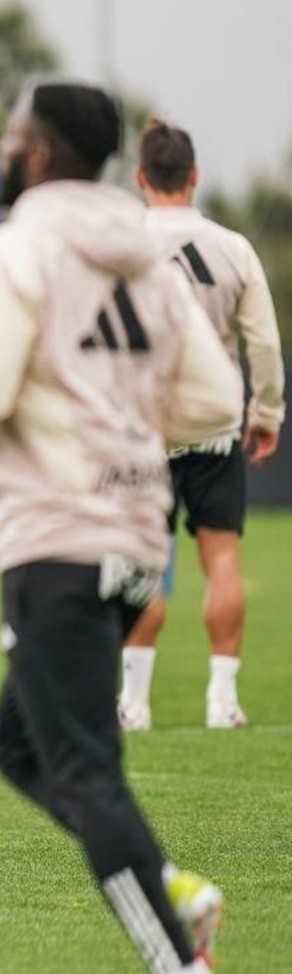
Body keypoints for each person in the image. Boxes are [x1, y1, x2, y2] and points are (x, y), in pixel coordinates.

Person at [0, 83, 241, 974]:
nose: (1, 150)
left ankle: (182, 972)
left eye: (11, 137)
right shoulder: (150, 261)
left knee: (79, 763)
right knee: (21, 748)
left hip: (56, 540)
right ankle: (169, 892)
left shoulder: (8, 253)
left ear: (37, 154)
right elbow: (214, 402)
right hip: (133, 536)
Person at [116, 119, 285, 732]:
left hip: (141, 427)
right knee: (223, 559)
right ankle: (223, 702)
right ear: (195, 177)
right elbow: (262, 343)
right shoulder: (232, 247)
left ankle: (133, 704)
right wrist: (265, 413)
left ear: (141, 178)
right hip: (213, 425)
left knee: (140, 560)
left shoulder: (120, 244)